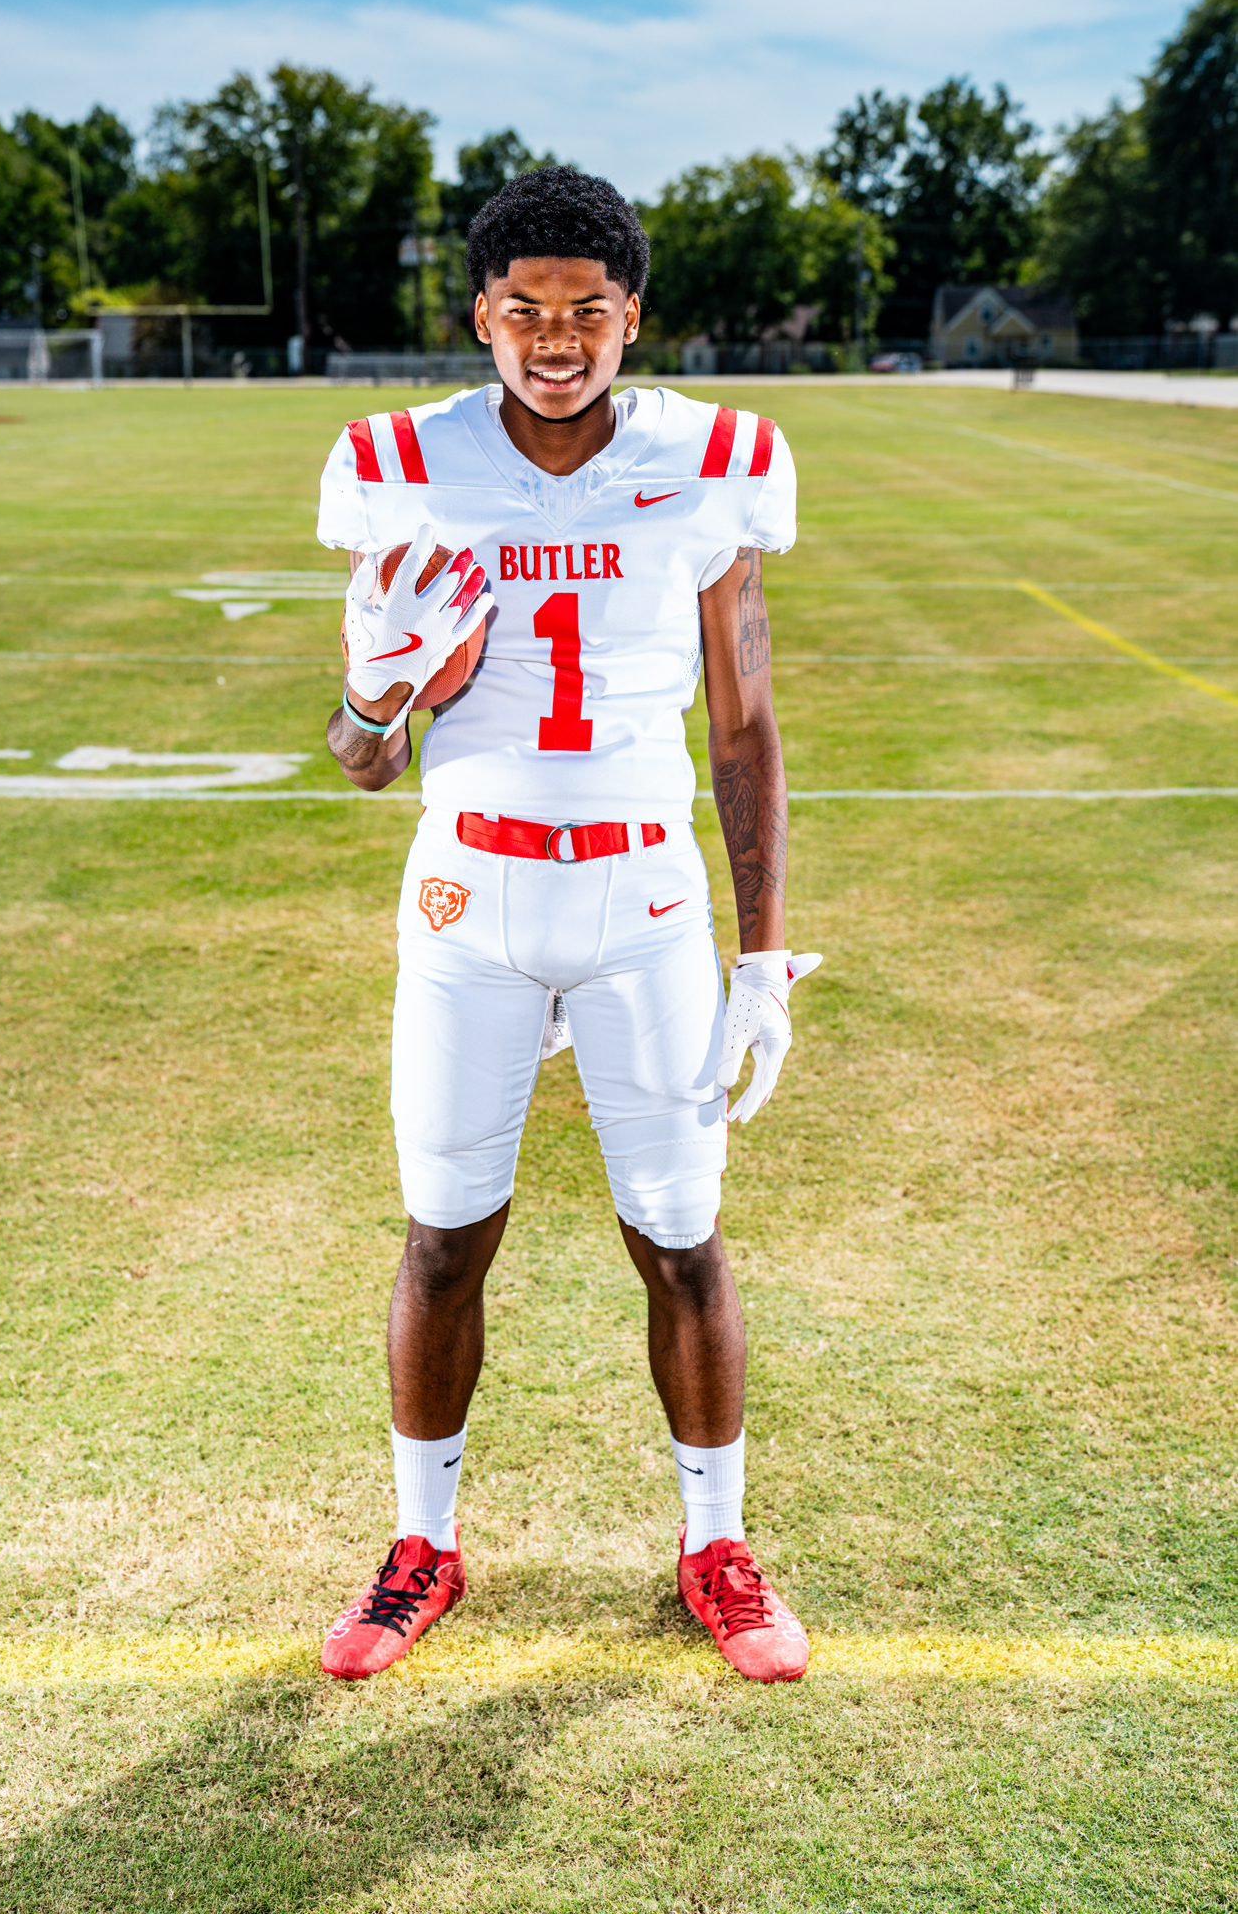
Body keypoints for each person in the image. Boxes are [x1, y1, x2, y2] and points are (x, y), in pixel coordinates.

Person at [316, 166, 818, 1685]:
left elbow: (745, 725)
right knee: (443, 1236)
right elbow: (361, 760)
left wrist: (758, 953)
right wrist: (374, 694)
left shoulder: (716, 459)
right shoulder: (400, 461)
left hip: (643, 897)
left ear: (630, 318)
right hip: (466, 894)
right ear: (481, 314)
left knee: (681, 1239)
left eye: (586, 311)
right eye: (524, 309)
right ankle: (422, 1546)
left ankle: (717, 1547)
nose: (555, 339)